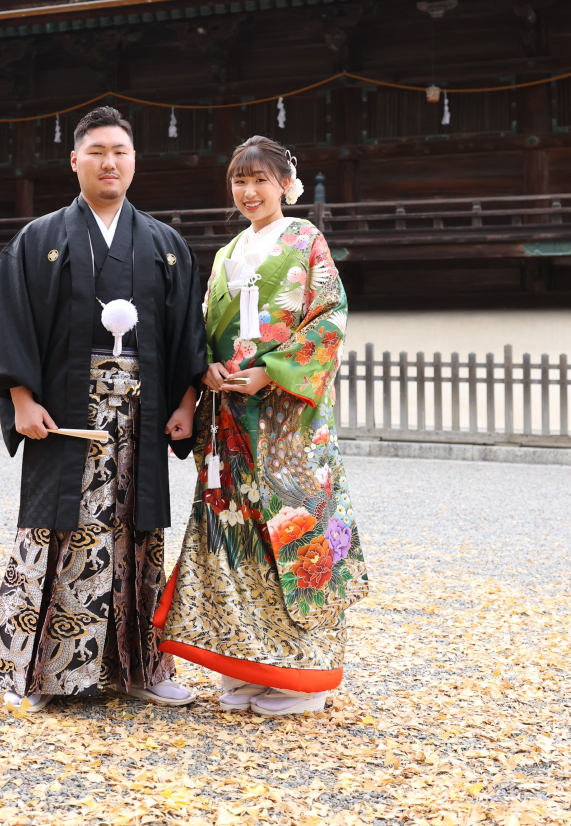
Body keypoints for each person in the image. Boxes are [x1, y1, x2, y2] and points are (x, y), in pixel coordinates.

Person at [0, 105, 207, 710]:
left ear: (134, 161)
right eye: (96, 152)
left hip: (143, 416)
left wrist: (186, 402)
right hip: (63, 413)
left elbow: (187, 335)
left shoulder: (165, 244)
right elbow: (11, 321)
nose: (109, 162)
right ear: (75, 161)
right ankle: (41, 675)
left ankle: (142, 669)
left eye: (119, 152)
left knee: (137, 533)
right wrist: (21, 398)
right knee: (55, 530)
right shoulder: (39, 240)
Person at [156, 136, 368, 716]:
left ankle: (307, 679)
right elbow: (203, 325)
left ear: (284, 185)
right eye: (239, 181)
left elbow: (330, 317)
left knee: (296, 536)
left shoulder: (305, 240)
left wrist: (269, 373)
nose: (249, 192)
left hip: (287, 420)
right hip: (229, 416)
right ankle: (249, 665)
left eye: (260, 181)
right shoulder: (228, 253)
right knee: (237, 538)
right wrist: (206, 367)